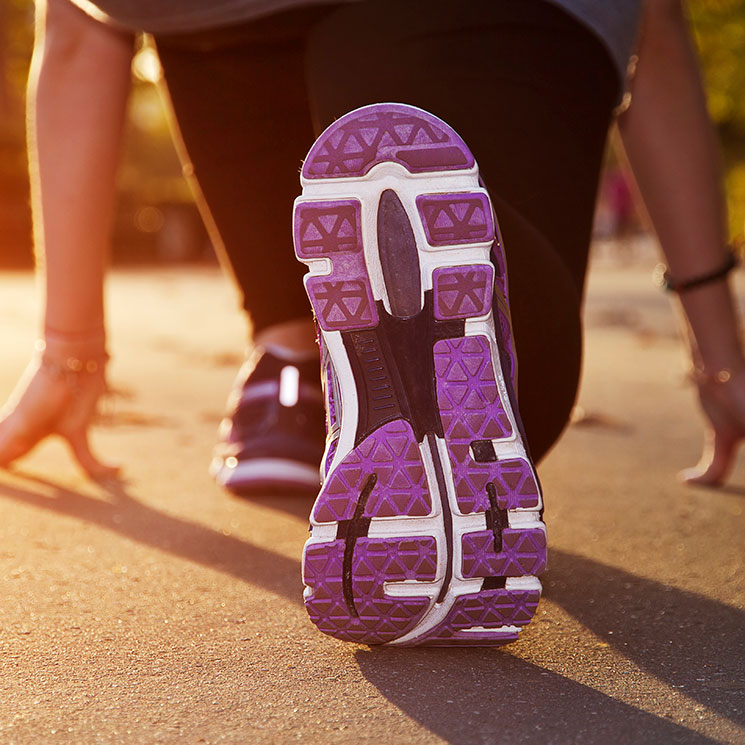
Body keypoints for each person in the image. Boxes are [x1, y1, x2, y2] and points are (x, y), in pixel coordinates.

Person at [0, 0, 742, 641]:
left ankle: (293, 368)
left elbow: (75, 30)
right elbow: (657, 30)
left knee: (206, 24)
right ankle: (455, 289)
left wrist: (70, 352)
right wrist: (720, 359)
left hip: (226, 31)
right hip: (506, 24)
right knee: (505, 344)